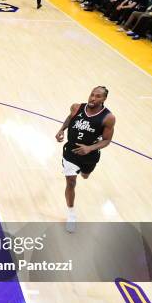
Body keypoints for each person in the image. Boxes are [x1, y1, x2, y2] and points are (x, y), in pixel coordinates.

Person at [55, 86, 116, 233]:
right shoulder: (76, 107)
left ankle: (84, 171)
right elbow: (70, 118)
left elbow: (107, 140)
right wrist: (61, 130)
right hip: (70, 152)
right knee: (70, 182)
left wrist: (89, 148)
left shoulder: (108, 118)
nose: (93, 98)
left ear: (104, 99)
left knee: (85, 175)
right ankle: (71, 214)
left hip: (90, 156)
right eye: (92, 95)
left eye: (98, 96)